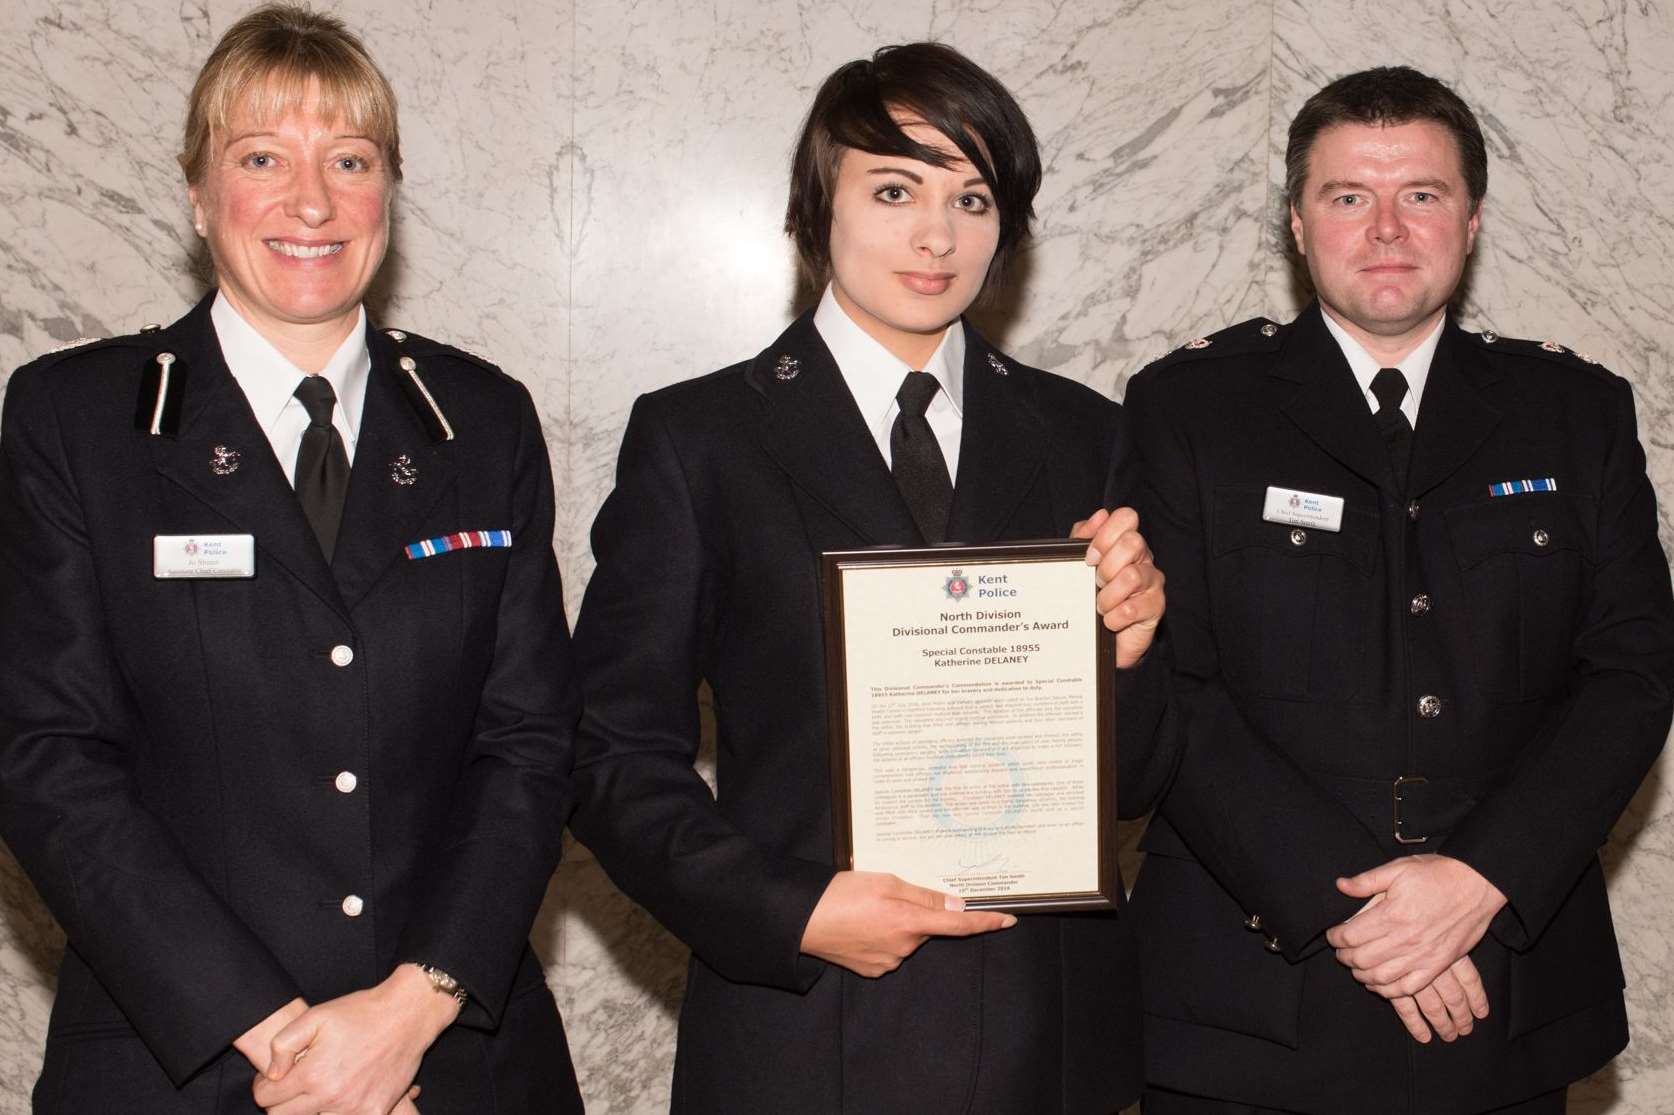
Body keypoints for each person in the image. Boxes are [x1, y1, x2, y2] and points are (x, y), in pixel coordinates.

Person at [568, 41, 1171, 1115]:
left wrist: (1128, 648)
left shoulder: (1085, 433)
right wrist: (790, 908)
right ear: (816, 210)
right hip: (805, 1029)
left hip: (1047, 1034)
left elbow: (1139, 776)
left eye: (973, 197)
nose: (937, 234)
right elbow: (610, 751)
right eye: (895, 189)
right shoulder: (700, 438)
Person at [0, 6, 582, 1113]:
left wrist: (408, 1011)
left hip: (455, 1054)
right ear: (197, 193)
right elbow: (47, 755)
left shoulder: (483, 420)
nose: (310, 202)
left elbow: (530, 742)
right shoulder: (77, 419)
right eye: (261, 158)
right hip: (183, 1058)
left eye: (348, 161)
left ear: (388, 195)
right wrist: (293, 1044)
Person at [1123, 65, 1674, 1115]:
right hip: (1250, 1000)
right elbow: (1168, 681)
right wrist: (1359, 909)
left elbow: (1631, 671)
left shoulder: (1574, 410)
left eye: (1420, 194)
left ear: (1470, 221)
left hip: (1498, 986)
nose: (1386, 228)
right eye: (1347, 196)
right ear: (1296, 223)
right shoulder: (1188, 408)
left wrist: (1477, 880)